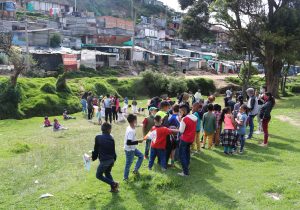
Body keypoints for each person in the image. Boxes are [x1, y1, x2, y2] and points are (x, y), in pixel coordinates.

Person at [92, 123, 119, 193]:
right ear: (110, 130)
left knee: (98, 175)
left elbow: (96, 150)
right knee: (107, 173)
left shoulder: (98, 137)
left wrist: (93, 158)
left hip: (105, 161)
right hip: (111, 159)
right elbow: (113, 151)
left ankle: (114, 184)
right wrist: (114, 160)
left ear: (101, 129)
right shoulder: (111, 138)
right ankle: (114, 189)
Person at [178, 104, 197, 176]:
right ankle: (187, 166)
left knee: (182, 155)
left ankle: (185, 172)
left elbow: (181, 131)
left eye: (180, 112)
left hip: (184, 139)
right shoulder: (195, 117)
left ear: (183, 111)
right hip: (191, 138)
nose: (180, 113)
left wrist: (180, 121)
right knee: (187, 152)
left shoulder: (184, 119)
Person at [123, 114, 144, 181]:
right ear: (134, 120)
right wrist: (138, 141)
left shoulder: (130, 127)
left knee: (141, 156)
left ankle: (135, 170)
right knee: (128, 163)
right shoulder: (131, 131)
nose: (137, 120)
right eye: (136, 119)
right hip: (129, 150)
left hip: (133, 148)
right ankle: (125, 178)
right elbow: (128, 142)